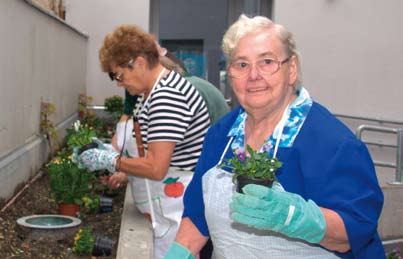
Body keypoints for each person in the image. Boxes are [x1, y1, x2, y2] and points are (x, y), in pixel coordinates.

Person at [165, 14, 385, 258]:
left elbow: (354, 230)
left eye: (267, 62)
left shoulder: (331, 141)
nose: (253, 75)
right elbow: (197, 218)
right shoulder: (222, 134)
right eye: (241, 64)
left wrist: (294, 217)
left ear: (291, 70)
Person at [75, 24, 211, 259]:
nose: (119, 83)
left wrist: (112, 160)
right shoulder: (149, 94)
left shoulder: (167, 96)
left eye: (119, 75)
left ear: (138, 63)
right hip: (165, 214)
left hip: (179, 217)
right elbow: (163, 155)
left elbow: (157, 168)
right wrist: (118, 164)